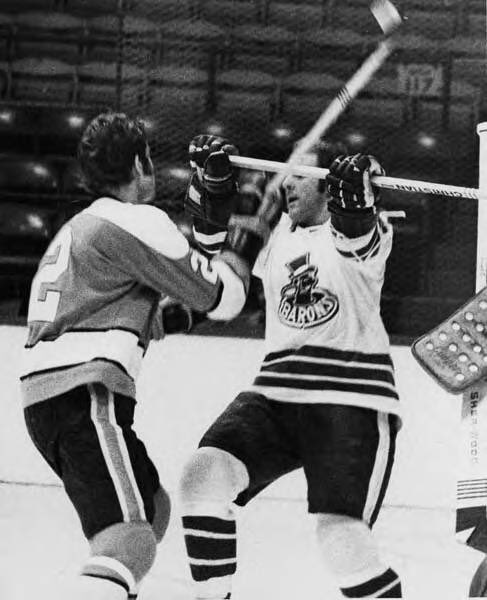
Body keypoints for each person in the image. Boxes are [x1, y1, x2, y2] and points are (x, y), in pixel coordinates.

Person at [19, 114, 279, 600]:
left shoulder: (87, 227)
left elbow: (163, 313)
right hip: (85, 394)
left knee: (153, 510)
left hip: (50, 399)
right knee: (129, 540)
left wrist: (213, 218)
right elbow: (223, 297)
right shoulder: (137, 221)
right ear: (141, 162)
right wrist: (249, 231)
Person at [180, 136, 403, 599]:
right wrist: (213, 186)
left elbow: (356, 231)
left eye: (300, 174)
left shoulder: (373, 228)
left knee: (340, 539)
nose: (287, 185)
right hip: (277, 393)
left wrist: (354, 197)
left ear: (327, 185)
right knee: (204, 474)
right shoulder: (280, 232)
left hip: (348, 394)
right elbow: (216, 247)